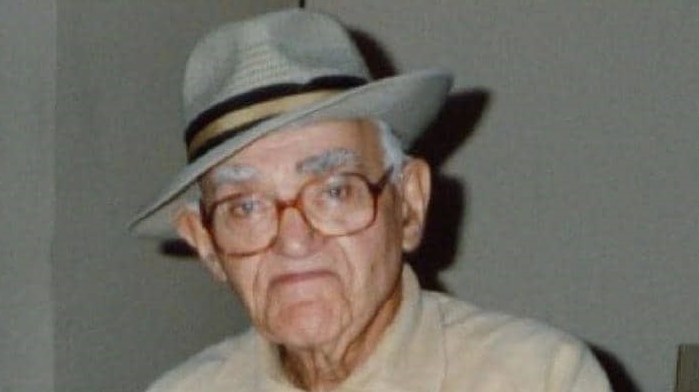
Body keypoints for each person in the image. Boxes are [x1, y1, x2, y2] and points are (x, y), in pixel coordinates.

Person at [130, 8, 611, 392]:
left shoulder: (540, 378)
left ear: (409, 203)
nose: (294, 242)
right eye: (246, 206)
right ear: (207, 244)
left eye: (335, 191)